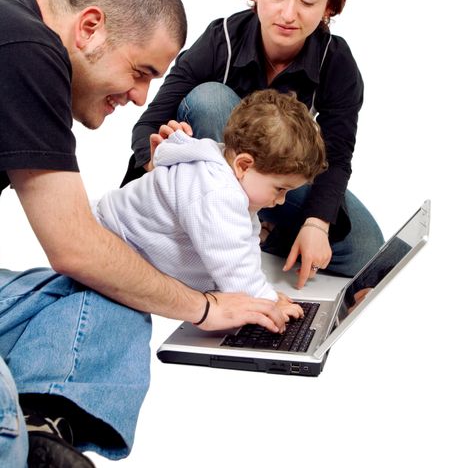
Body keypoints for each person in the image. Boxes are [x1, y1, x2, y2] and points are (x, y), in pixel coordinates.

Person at [0, 0, 286, 468]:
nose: (138, 97)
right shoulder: (26, 50)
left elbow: (89, 257)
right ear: (90, 28)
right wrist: (206, 307)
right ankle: (17, 450)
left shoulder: (17, 31)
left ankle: (44, 421)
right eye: (140, 71)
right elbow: (75, 246)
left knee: (118, 290)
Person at [122, 0, 385, 289]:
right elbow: (148, 123)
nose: (289, 13)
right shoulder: (220, 40)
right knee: (211, 100)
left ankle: (260, 232)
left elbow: (337, 156)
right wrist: (154, 160)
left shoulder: (337, 61)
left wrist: (316, 224)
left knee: (367, 250)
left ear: (329, 6)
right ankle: (218, 233)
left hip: (275, 185)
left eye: (308, 1)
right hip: (215, 181)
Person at [93, 90, 327, 317]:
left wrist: (261, 291)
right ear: (244, 165)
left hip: (121, 242)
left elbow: (244, 244)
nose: (281, 200)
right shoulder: (217, 190)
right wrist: (263, 300)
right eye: (280, 189)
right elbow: (231, 261)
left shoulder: (228, 176)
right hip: (105, 242)